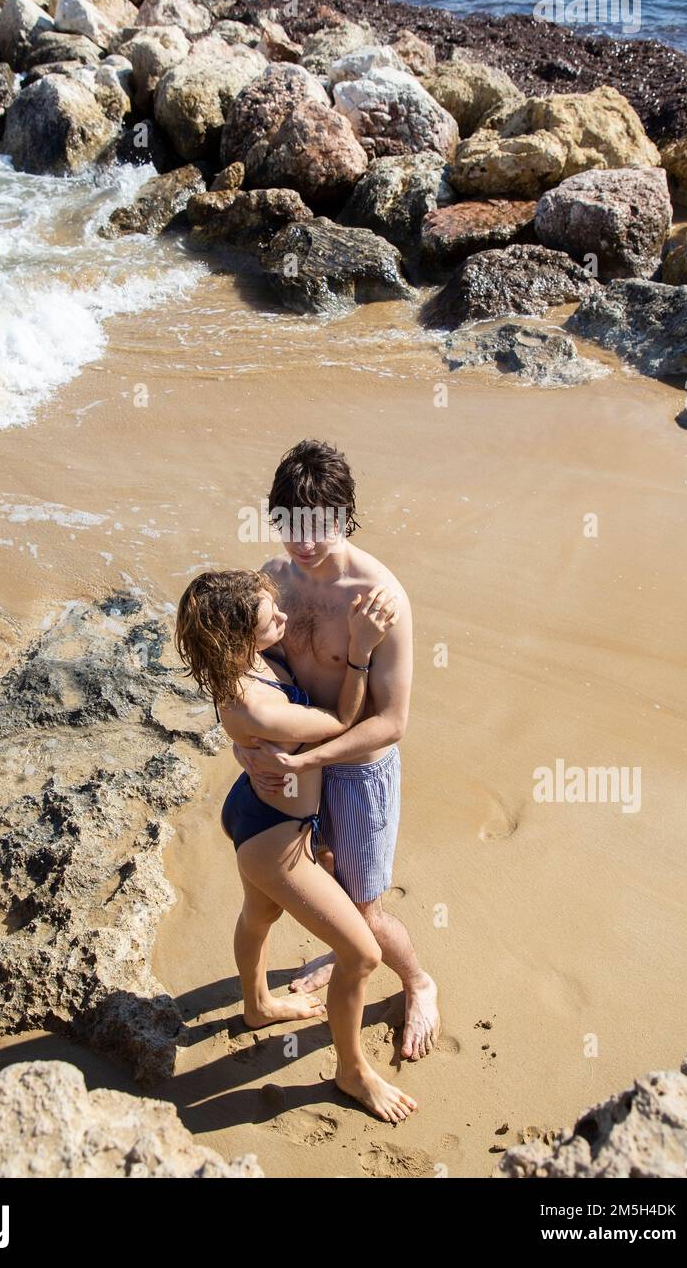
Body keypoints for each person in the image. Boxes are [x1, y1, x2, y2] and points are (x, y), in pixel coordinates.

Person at [175, 568, 418, 1123]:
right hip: (273, 837)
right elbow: (339, 720)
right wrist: (359, 651)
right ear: (237, 638)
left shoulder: (244, 662)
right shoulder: (254, 705)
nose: (283, 621)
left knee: (259, 915)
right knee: (362, 955)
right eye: (271, 619)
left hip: (255, 809)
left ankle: (257, 1005)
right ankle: (351, 1071)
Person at [233, 439, 440, 1061]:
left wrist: (307, 760)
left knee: (366, 911)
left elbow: (393, 723)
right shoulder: (273, 580)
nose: (302, 542)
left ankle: (418, 983)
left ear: (345, 516)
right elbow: (250, 674)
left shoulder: (378, 597)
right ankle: (339, 948)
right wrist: (248, 747)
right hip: (299, 772)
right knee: (321, 883)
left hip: (356, 776)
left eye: (318, 526)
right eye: (288, 525)